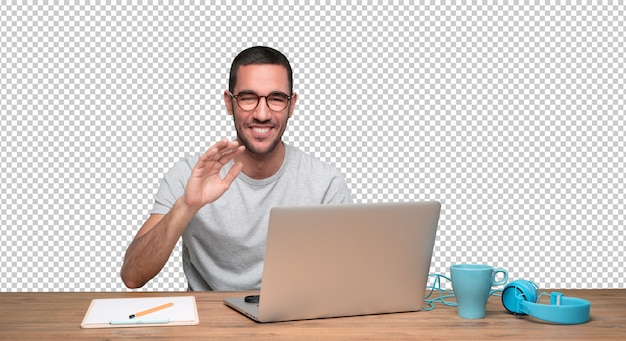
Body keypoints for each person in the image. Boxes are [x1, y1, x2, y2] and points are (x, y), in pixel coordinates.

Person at [121, 46, 353, 291]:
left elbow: (349, 280)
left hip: (290, 321)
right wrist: (187, 205)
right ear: (229, 103)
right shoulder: (191, 173)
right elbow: (132, 276)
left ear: (291, 105)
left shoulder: (325, 183)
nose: (262, 114)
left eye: (276, 99)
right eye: (248, 98)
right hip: (207, 321)